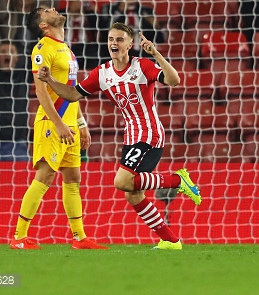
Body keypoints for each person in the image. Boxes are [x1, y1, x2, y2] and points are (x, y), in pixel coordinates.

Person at [37, 22, 202, 250]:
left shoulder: (142, 66)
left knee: (121, 182)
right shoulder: (102, 73)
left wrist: (155, 54)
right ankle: (171, 240)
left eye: (119, 40)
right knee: (133, 194)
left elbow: (174, 80)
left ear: (130, 44)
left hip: (150, 133)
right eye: (111, 39)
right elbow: (73, 95)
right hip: (131, 136)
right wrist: (50, 82)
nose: (114, 43)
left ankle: (177, 180)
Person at [10, 7, 107, 250]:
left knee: (73, 177)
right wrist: (59, 123)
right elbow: (41, 92)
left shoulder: (66, 48)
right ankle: (19, 237)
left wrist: (81, 123)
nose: (52, 9)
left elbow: (71, 91)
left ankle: (79, 238)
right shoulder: (42, 49)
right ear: (43, 25)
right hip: (52, 123)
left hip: (71, 123)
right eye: (46, 10)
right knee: (45, 175)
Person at [99, 0, 165, 56]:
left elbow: (161, 39)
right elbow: (104, 31)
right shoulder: (108, 8)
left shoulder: (147, 11)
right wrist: (120, 10)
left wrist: (157, 26)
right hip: (115, 56)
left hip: (142, 56)